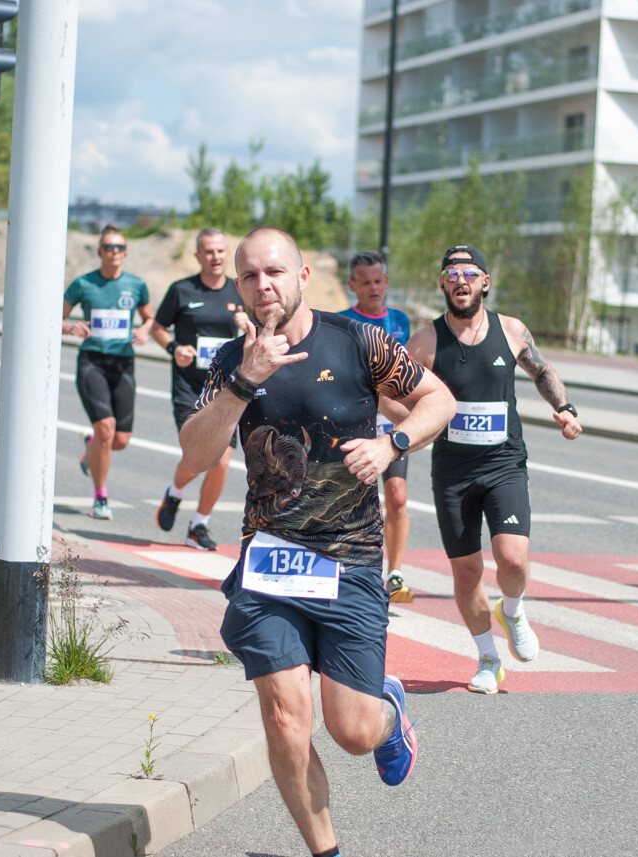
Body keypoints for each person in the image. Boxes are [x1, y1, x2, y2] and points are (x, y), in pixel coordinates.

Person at [179, 227, 455, 857]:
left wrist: (393, 444)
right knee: (283, 719)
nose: (262, 285)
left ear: (303, 276)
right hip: (270, 561)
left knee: (352, 731)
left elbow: (439, 399)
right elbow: (194, 455)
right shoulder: (230, 361)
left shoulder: (358, 340)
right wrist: (244, 384)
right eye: (249, 276)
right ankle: (325, 852)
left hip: (351, 560)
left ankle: (388, 713)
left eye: (274, 272)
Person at [405, 244, 582, 695]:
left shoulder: (511, 330)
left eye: (469, 273)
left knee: (512, 558)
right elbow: (391, 391)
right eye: (451, 274)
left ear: (485, 282)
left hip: (504, 463)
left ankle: (514, 609)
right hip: (453, 471)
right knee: (466, 574)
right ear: (442, 284)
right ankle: (488, 658)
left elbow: (542, 370)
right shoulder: (426, 342)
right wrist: (409, 431)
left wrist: (563, 407)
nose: (460, 281)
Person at [150, 227, 248, 551]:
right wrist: (174, 348)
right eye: (209, 252)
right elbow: (157, 328)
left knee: (220, 460)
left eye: (221, 251)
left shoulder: (239, 292)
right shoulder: (181, 290)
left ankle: (198, 526)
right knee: (197, 458)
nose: (216, 257)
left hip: (227, 389)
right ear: (198, 256)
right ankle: (175, 492)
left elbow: (255, 328)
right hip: (189, 386)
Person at [63, 224, 152, 519]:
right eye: (108, 247)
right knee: (105, 429)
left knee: (120, 441)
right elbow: (53, 314)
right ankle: (100, 497)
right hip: (92, 361)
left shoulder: (136, 285)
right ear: (99, 251)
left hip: (123, 363)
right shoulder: (83, 284)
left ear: (125, 252)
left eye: (119, 247)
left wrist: (144, 329)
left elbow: (150, 318)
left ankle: (91, 448)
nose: (114, 252)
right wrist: (70, 326)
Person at [339, 250, 414, 602]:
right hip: (357, 422)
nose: (373, 287)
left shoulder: (400, 320)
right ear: (353, 285)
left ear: (386, 281)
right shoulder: (341, 321)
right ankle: (357, 569)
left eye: (377, 281)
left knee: (397, 495)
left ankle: (395, 573)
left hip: (393, 423)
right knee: (360, 500)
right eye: (364, 282)